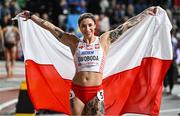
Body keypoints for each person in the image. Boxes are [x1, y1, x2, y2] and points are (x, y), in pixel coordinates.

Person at [19, 6, 156, 115]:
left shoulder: (104, 39)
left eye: (90, 25)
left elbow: (124, 27)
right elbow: (52, 28)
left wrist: (144, 13)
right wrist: (32, 16)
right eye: (83, 26)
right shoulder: (73, 41)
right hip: (77, 91)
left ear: (95, 26)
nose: (87, 29)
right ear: (80, 28)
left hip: (96, 91)